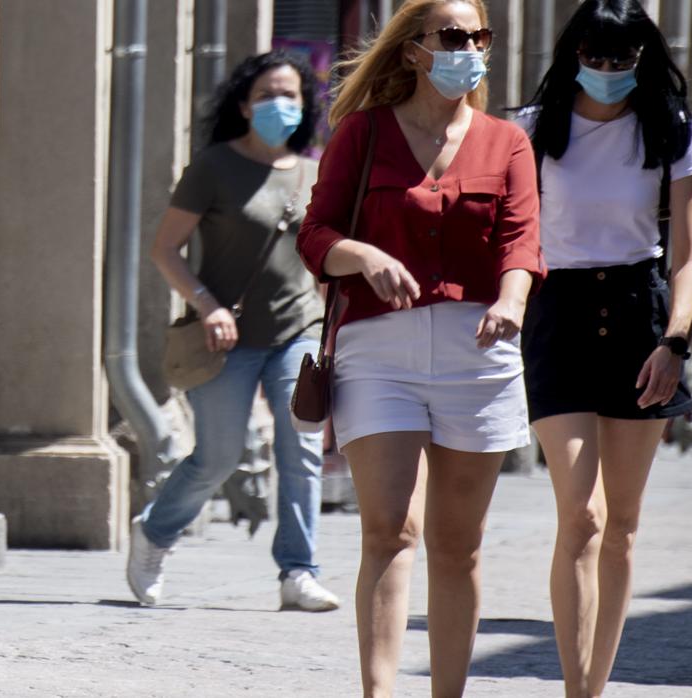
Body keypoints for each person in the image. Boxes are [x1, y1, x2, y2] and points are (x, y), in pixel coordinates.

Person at [297, 1, 543, 695]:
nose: (470, 48)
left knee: (458, 547)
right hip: (379, 349)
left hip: (479, 350)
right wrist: (360, 256)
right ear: (412, 51)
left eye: (479, 36)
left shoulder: (507, 142)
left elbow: (522, 240)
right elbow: (315, 233)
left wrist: (511, 299)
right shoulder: (363, 133)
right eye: (454, 36)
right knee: (389, 530)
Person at [516, 2, 692, 694]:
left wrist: (676, 341)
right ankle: (574, 686)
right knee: (582, 513)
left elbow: (688, 258)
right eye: (592, 57)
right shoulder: (532, 130)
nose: (603, 71)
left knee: (621, 524)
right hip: (557, 311)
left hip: (639, 314)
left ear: (641, 59)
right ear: (572, 54)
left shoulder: (673, 131)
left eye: (619, 59)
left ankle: (594, 684)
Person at [126, 51, 340, 613]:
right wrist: (205, 305)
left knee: (302, 450)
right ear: (244, 105)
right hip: (226, 338)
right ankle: (154, 534)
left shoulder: (316, 172)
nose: (280, 105)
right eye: (268, 95)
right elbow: (165, 249)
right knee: (217, 458)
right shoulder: (214, 167)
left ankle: (299, 570)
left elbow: (323, 260)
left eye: (291, 95)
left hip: (299, 330)